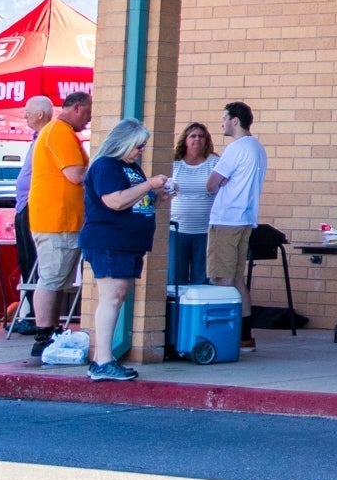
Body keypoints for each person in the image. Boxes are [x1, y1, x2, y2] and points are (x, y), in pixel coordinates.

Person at [80, 118, 172, 381]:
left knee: (117, 297)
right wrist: (150, 184)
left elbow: (138, 204)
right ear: (123, 143)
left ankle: (103, 359)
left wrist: (159, 198)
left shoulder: (132, 168)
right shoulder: (106, 166)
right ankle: (103, 360)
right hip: (109, 240)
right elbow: (115, 201)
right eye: (138, 145)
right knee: (112, 295)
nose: (141, 150)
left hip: (129, 241)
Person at [27, 92, 91, 357]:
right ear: (76, 108)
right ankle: (43, 334)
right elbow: (75, 174)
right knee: (51, 278)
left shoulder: (57, 132)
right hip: (58, 220)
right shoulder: (60, 132)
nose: (88, 120)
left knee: (56, 279)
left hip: (61, 219)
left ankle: (51, 331)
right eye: (87, 113)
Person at [205, 102, 267, 349]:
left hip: (226, 219)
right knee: (237, 279)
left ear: (235, 121)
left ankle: (223, 336)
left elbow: (212, 183)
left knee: (222, 278)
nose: (222, 123)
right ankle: (244, 335)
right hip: (245, 219)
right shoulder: (257, 148)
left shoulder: (235, 148)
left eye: (224, 118)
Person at [9, 95, 55, 329]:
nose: (24, 116)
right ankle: (30, 315)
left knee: (33, 262)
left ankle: (35, 319)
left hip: (33, 206)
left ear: (39, 114)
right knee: (26, 262)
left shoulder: (48, 138)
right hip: (25, 206)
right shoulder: (38, 138)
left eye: (28, 111)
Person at [167, 123, 218, 287]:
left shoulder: (214, 162)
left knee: (201, 278)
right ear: (185, 140)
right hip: (177, 230)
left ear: (206, 140)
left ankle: (196, 311)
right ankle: (177, 312)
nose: (197, 139)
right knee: (175, 277)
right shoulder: (174, 163)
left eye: (201, 136)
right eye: (193, 136)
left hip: (204, 231)